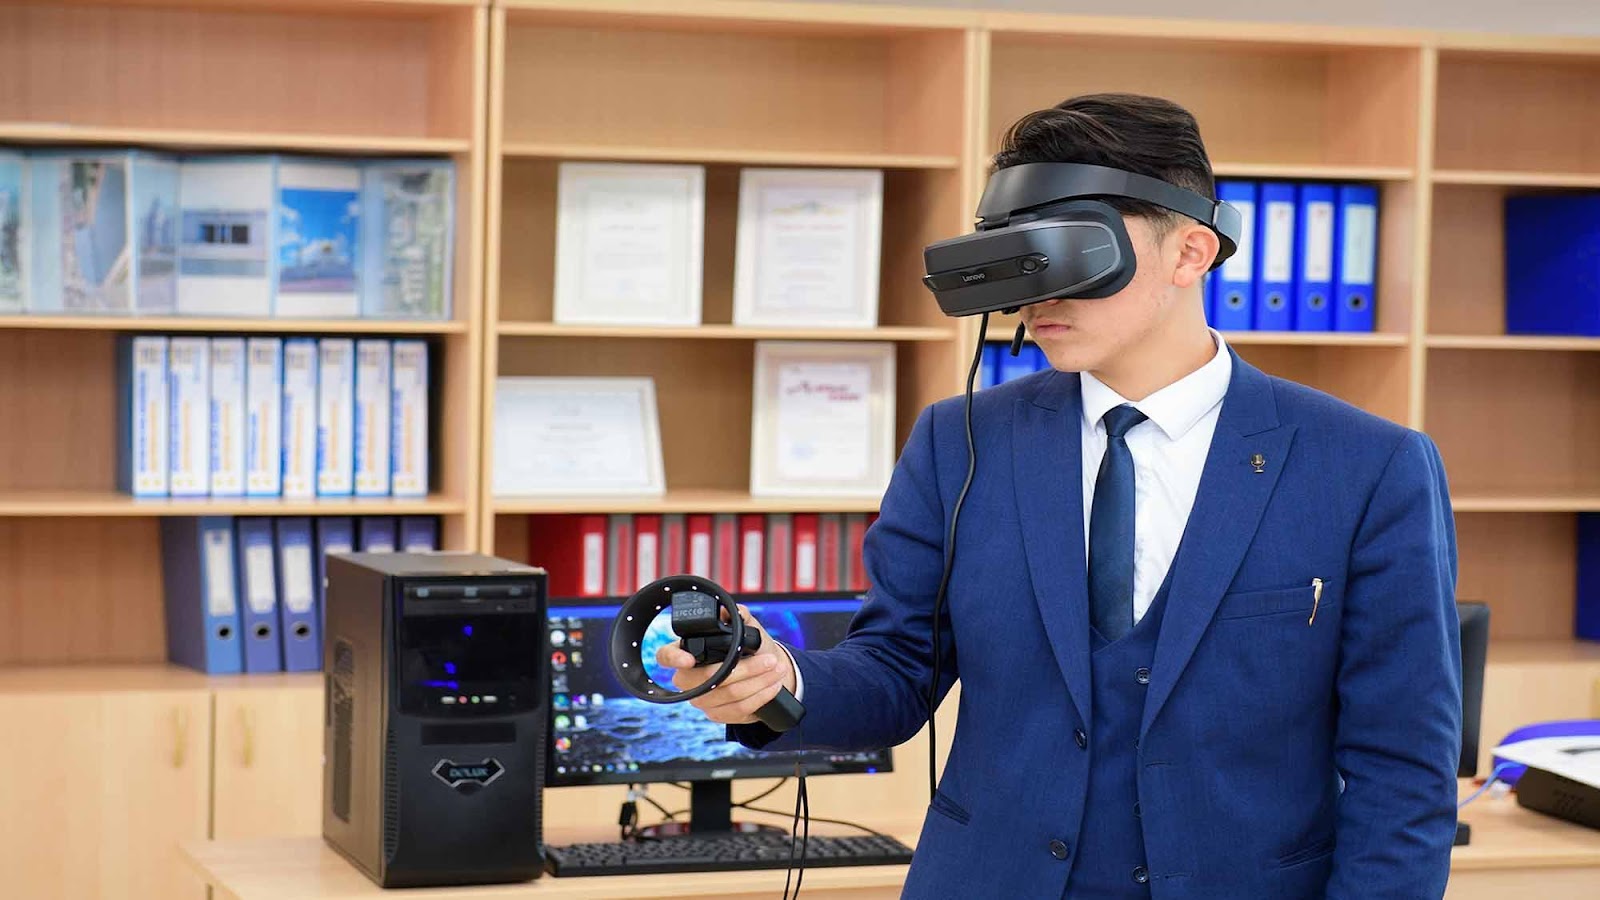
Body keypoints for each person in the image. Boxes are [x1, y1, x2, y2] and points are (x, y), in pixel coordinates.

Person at [658, 93, 1462, 899]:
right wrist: (781, 681)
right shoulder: (959, 443)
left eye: (1067, 254)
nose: (1038, 296)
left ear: (1190, 252)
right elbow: (898, 670)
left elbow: (1403, 771)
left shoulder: (1367, 468)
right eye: (1017, 259)